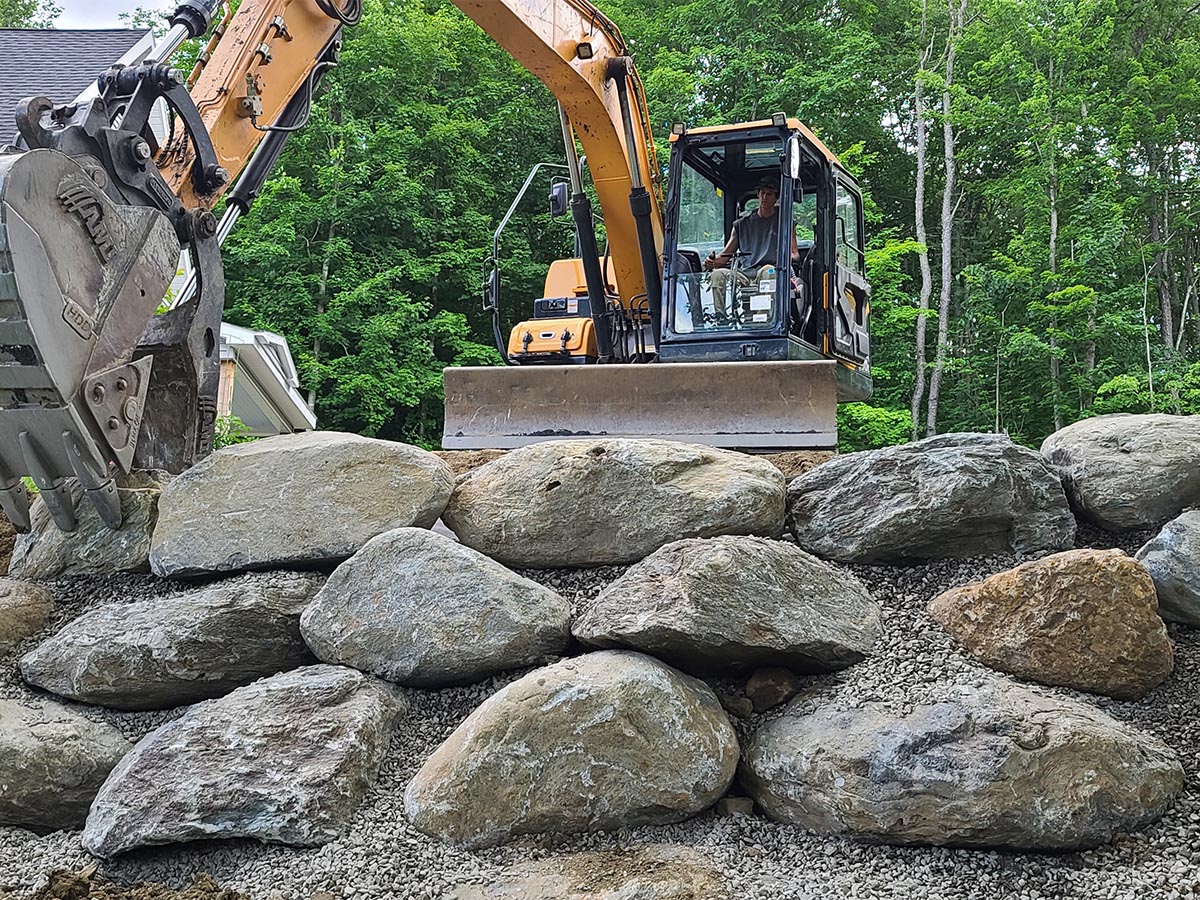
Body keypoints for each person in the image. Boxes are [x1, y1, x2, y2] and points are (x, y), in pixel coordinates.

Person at [703, 175, 800, 319]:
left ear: (776, 198)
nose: (765, 197)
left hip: (771, 270)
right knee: (718, 274)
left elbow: (795, 255)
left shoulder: (785, 222)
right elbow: (724, 258)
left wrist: (782, 258)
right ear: (758, 194)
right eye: (762, 193)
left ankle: (763, 318)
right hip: (745, 274)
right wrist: (712, 262)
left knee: (769, 271)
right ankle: (720, 318)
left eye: (769, 194)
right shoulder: (741, 225)